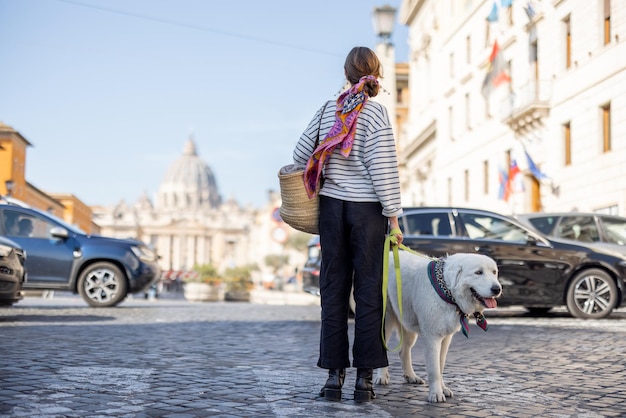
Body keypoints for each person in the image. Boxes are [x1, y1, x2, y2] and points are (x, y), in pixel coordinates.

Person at [293, 46, 403, 402]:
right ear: (376, 76)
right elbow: (383, 169)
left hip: (331, 210)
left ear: (346, 74)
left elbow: (299, 153)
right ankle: (364, 381)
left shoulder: (329, 109)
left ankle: (333, 378)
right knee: (369, 292)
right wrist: (395, 218)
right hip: (366, 212)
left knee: (333, 290)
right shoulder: (375, 114)